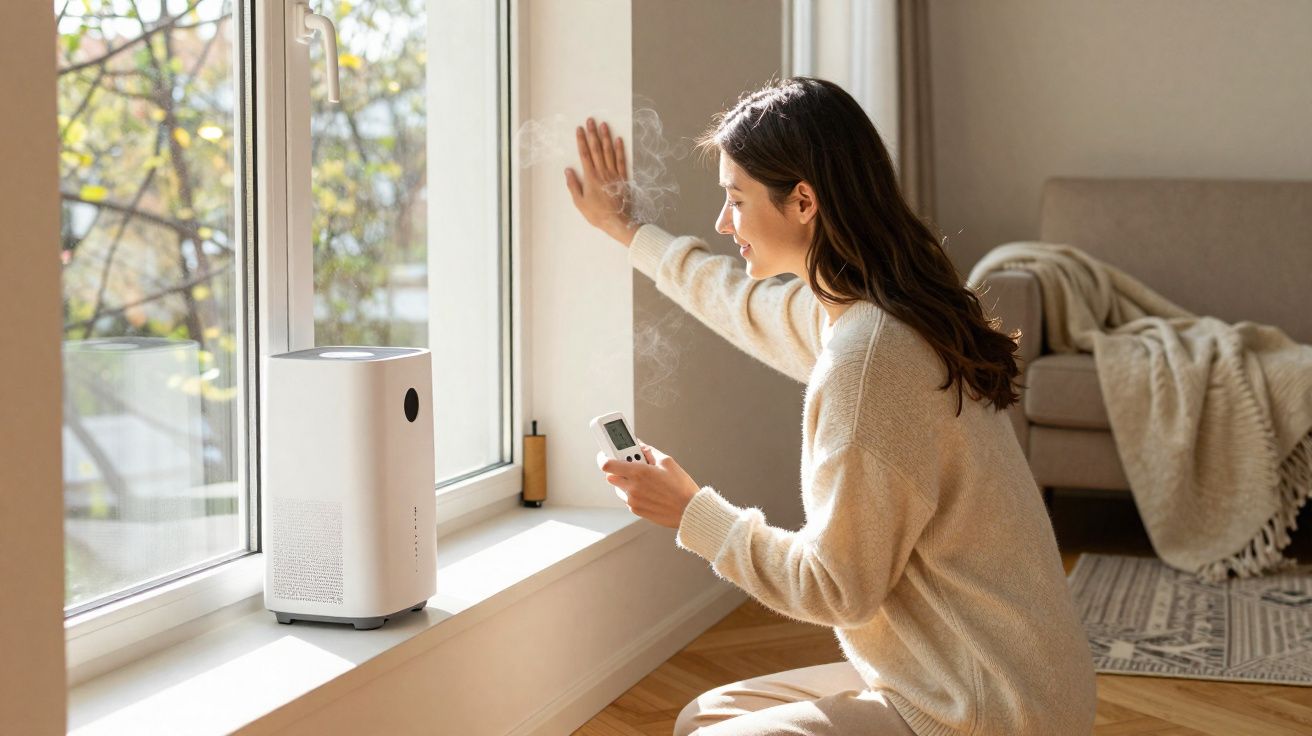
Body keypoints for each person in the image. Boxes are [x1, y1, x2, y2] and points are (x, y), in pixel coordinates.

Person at [565, 77, 1096, 736]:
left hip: (988, 705)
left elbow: (836, 588)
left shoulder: (869, 363)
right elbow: (734, 301)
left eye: (735, 199)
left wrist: (690, 511)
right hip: (980, 673)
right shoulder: (867, 313)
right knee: (705, 715)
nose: (723, 222)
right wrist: (626, 229)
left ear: (804, 202)